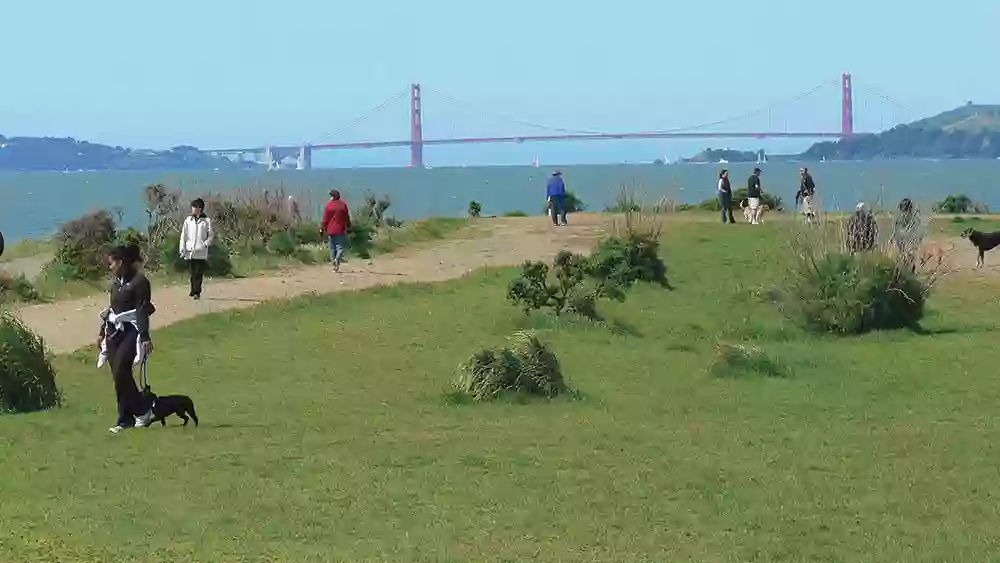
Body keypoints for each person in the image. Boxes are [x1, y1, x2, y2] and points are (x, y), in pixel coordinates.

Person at [96, 244, 156, 434]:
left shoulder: (140, 283)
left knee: (122, 369)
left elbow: (142, 310)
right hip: (114, 332)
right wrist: (101, 333)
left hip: (132, 331)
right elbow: (111, 309)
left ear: (120, 262)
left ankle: (142, 409)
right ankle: (125, 419)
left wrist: (145, 337)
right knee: (118, 376)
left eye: (111, 263)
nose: (110, 267)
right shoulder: (116, 284)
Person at [179, 198, 214, 300]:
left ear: (201, 208)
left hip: (201, 250)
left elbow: (211, 235)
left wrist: (206, 244)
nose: (195, 209)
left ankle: (197, 292)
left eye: (197, 207)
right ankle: (193, 289)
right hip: (190, 250)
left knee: (198, 272)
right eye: (194, 207)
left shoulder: (206, 221)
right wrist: (182, 248)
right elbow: (183, 235)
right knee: (192, 272)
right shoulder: (188, 220)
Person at [321, 189, 351, 272]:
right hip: (340, 229)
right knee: (340, 247)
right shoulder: (343, 205)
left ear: (332, 196)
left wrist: (322, 228)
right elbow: (346, 217)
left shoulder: (328, 206)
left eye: (330, 196)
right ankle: (337, 260)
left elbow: (325, 219)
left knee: (332, 248)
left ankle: (335, 266)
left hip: (330, 230)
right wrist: (348, 226)